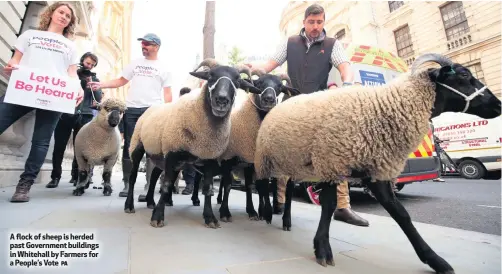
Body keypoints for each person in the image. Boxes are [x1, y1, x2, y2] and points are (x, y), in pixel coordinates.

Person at [247, 3, 368, 227]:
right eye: (311, 22)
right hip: (291, 104)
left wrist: (348, 83)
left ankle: (343, 206)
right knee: (284, 150)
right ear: (304, 22)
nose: (315, 26)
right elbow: (269, 64)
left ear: (324, 22)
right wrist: (251, 68)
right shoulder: (290, 42)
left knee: (335, 152)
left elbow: (345, 66)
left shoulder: (333, 44)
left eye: (319, 22)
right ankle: (280, 200)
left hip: (319, 105)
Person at [1, 2, 83, 202]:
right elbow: (16, 59)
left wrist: (78, 87)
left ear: (70, 22)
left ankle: (24, 185)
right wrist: (11, 66)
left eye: (68, 16)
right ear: (51, 13)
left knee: (41, 141)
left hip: (54, 94)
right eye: (61, 12)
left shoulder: (71, 46)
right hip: (24, 89)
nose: (63, 16)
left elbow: (71, 73)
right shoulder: (29, 35)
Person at [88, 33, 172, 197]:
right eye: (142, 44)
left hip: (152, 111)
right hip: (132, 110)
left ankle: (149, 186)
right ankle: (128, 185)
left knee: (152, 148)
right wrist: (102, 84)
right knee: (130, 147)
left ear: (156, 47)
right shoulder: (135, 64)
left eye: (147, 44)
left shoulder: (164, 68)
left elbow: (168, 94)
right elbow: (121, 81)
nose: (143, 47)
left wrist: (169, 113)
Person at [46, 52, 103, 188]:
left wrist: (92, 84)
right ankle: (55, 177)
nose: (88, 66)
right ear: (82, 60)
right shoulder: (71, 73)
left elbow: (98, 98)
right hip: (65, 113)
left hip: (85, 115)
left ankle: (76, 175)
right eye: (87, 63)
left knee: (81, 148)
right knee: (59, 145)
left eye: (92, 65)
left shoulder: (94, 78)